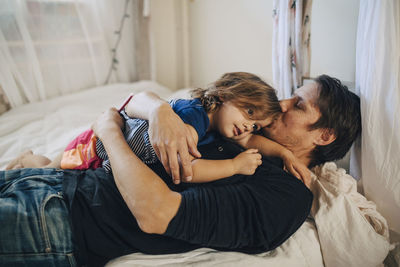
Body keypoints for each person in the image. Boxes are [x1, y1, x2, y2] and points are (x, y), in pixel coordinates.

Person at [0, 74, 361, 267]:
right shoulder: (250, 138)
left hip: (61, 223)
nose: (282, 104)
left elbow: (155, 213)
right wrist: (159, 111)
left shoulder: (283, 197)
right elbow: (143, 102)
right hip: (51, 184)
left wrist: (109, 132)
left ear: (324, 135)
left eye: (298, 104)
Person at [6, 72, 310, 183]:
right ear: (223, 94)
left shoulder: (218, 125)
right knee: (50, 170)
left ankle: (36, 159)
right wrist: (233, 166)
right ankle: (29, 159)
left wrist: (285, 153)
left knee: (55, 168)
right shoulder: (192, 120)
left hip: (106, 152)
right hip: (97, 148)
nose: (248, 126)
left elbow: (249, 142)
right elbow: (187, 170)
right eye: (248, 111)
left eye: (255, 124)